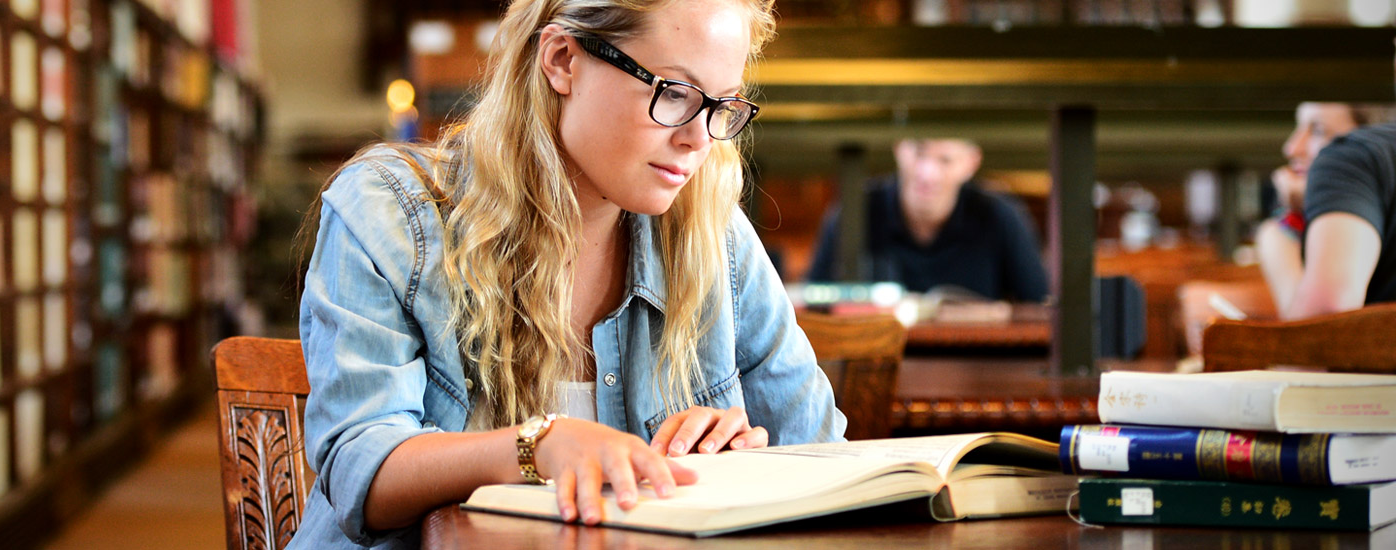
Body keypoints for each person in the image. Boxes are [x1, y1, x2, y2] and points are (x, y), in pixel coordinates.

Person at [291, 0, 845, 547]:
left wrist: (749, 462)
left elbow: (825, 456)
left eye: (721, 105)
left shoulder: (713, 234)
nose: (699, 138)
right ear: (562, 60)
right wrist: (537, 446)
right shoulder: (392, 214)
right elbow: (360, 473)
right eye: (674, 93)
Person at [806, 138, 1049, 302]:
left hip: (975, 367)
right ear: (899, 148)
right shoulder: (853, 212)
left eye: (945, 159)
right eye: (919, 153)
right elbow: (811, 300)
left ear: (971, 163)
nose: (928, 173)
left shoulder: (1001, 215)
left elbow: (1040, 305)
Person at [1254, 103, 1395, 318]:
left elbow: (1321, 324)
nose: (1292, 148)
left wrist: (1278, 243)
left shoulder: (1351, 153)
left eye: (1318, 130)